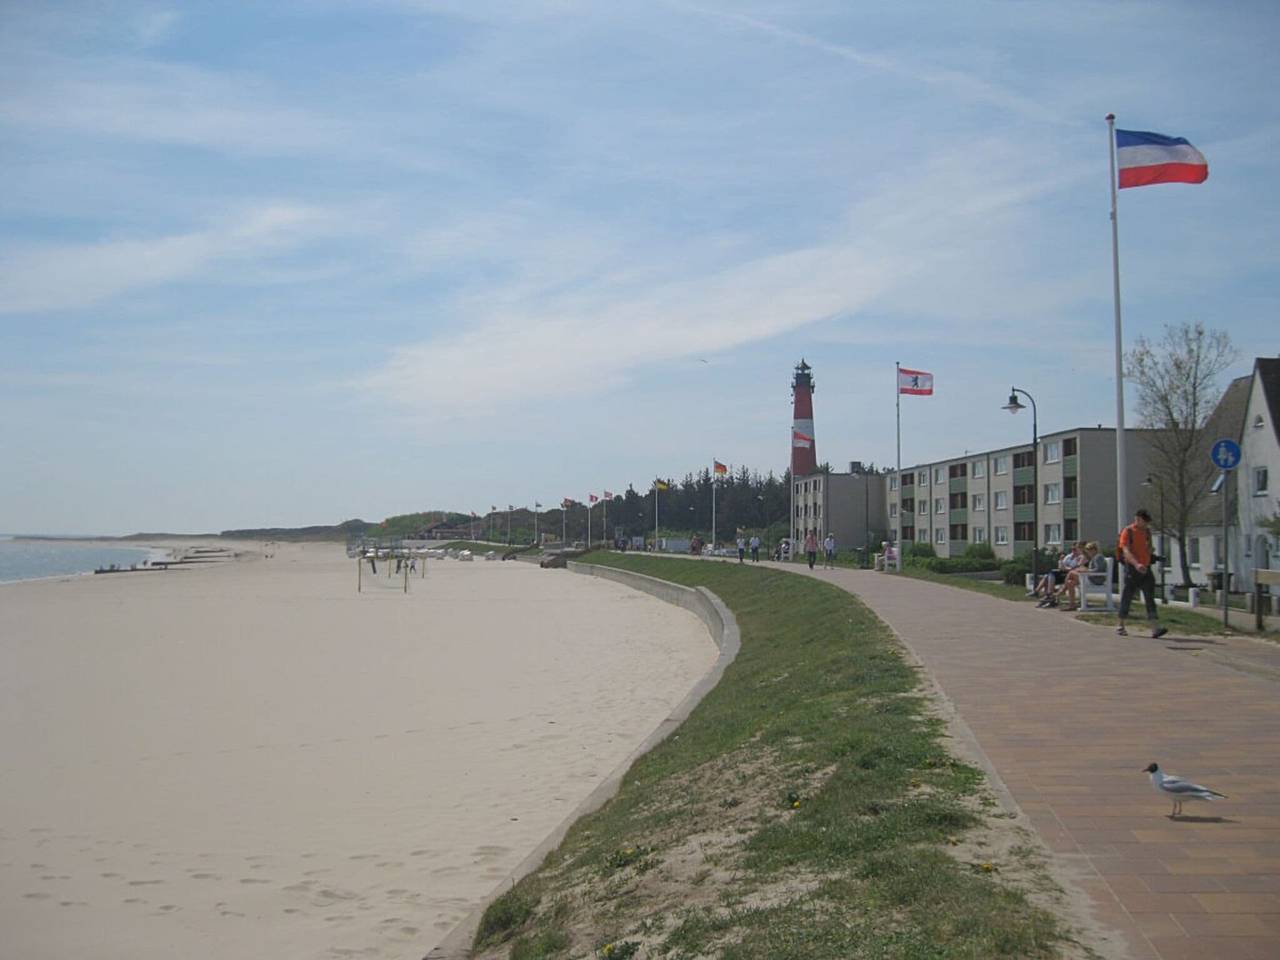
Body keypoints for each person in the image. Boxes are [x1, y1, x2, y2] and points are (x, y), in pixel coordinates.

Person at [1117, 509, 1167, 638]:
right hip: (1133, 569)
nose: (1142, 523)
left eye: (1144, 521)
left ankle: (1155, 628)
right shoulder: (1127, 532)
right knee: (1127, 596)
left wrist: (1152, 555)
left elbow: (1147, 550)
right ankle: (1121, 625)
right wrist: (1136, 564)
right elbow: (1126, 551)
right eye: (1139, 520)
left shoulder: (1147, 532)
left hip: (1146, 568)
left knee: (1150, 597)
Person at [1058, 541, 1106, 610]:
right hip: (1090, 578)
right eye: (1088, 550)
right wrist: (1084, 569)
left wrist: (1086, 570)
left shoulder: (1098, 557)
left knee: (1071, 572)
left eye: (1090, 550)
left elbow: (1099, 570)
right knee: (1070, 582)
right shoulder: (1093, 558)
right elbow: (1091, 569)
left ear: (1094, 550)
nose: (1089, 552)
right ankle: (1072, 605)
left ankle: (1063, 590)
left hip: (1096, 580)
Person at [1035, 542, 1085, 608]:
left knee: (1049, 577)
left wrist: (1067, 568)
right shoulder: (1069, 556)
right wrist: (1061, 561)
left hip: (1071, 575)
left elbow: (1077, 568)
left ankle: (1049, 596)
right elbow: (1061, 566)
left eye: (1075, 549)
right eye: (1072, 549)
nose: (1074, 551)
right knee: (1049, 575)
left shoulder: (1081, 557)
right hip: (1064, 573)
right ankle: (1049, 597)